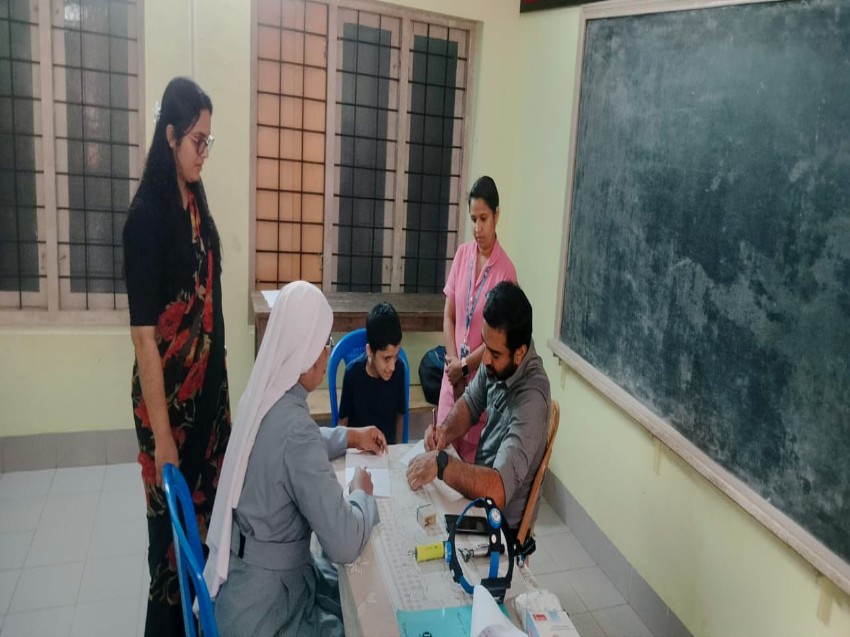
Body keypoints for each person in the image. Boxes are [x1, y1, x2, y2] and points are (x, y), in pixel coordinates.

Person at [204, 281, 386, 637]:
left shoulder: (263, 395)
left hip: (245, 586)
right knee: (362, 616)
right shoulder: (295, 429)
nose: (327, 352)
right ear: (305, 351)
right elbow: (345, 542)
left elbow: (290, 446)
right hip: (268, 610)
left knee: (345, 597)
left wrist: (350, 435)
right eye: (324, 343)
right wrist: (361, 493)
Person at [123, 77, 230, 637]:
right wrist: (163, 436)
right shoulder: (145, 219)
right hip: (166, 410)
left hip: (206, 402)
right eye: (196, 141)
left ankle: (199, 622)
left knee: (206, 531)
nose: (203, 153)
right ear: (169, 136)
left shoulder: (195, 200)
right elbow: (145, 339)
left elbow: (209, 304)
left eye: (208, 141)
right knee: (169, 550)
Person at [406, 282, 550, 531]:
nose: (484, 360)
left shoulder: (532, 400)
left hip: (499, 524)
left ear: (520, 353)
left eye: (494, 354)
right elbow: (471, 403)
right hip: (479, 499)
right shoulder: (500, 358)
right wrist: (444, 432)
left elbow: (498, 489)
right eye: (485, 346)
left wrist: (443, 464)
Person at [438, 176, 518, 463]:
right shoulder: (462, 255)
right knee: (441, 452)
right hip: (452, 378)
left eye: (483, 218)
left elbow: (498, 341)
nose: (477, 228)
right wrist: (453, 363)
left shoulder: (506, 272)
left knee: (468, 468)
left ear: (497, 215)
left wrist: (465, 366)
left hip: (480, 384)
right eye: (473, 219)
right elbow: (449, 315)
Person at [338, 302, 406, 444]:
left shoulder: (399, 370)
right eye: (386, 358)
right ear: (370, 351)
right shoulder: (353, 374)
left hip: (388, 450)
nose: (392, 367)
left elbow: (400, 416)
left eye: (396, 356)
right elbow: (343, 423)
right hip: (359, 451)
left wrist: (398, 450)